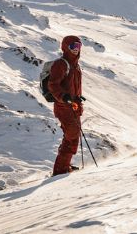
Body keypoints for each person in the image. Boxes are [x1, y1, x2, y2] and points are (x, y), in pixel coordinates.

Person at [48, 35, 85, 176]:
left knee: (72, 137)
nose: (76, 49)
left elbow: (74, 87)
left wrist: (77, 99)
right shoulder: (61, 64)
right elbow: (53, 85)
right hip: (64, 107)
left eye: (78, 46)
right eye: (73, 46)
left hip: (73, 107)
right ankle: (60, 170)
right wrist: (64, 97)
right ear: (65, 47)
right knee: (72, 137)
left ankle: (64, 165)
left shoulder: (75, 66)